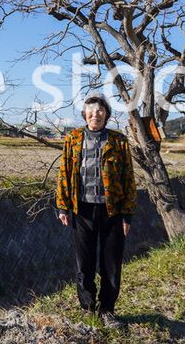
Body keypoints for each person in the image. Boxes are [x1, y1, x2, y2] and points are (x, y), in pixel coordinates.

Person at [56, 96, 137, 328]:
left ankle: (108, 310)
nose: (95, 114)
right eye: (90, 111)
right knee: (85, 263)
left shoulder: (119, 141)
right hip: (83, 209)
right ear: (84, 115)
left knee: (111, 264)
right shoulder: (73, 139)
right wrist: (63, 206)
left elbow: (128, 178)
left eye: (100, 110)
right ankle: (88, 308)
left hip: (113, 211)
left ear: (107, 114)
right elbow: (64, 172)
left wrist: (127, 214)